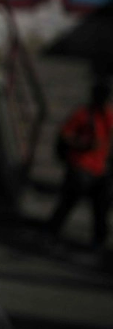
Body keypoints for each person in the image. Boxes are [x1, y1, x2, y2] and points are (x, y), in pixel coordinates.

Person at [46, 80, 113, 251]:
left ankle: (99, 240)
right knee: (68, 202)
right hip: (80, 167)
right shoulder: (83, 114)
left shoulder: (108, 115)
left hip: (99, 169)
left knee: (100, 208)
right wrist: (83, 143)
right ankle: (51, 233)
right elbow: (65, 135)